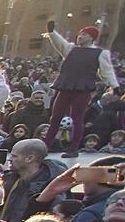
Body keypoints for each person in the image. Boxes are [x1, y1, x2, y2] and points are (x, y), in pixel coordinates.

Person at [43, 22, 118, 153]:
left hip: (82, 89)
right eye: (80, 34)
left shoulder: (100, 53)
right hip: (65, 86)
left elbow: (107, 71)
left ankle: (73, 148)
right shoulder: (71, 49)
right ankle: (45, 146)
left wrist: (114, 85)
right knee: (55, 117)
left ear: (91, 37)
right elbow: (60, 43)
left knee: (77, 119)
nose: (80, 37)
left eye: (84, 35)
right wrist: (52, 32)